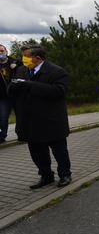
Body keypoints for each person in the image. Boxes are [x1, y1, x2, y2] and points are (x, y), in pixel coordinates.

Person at [10, 46, 72, 189]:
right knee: (37, 152)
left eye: (26, 57)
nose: (23, 60)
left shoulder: (57, 71)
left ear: (38, 58)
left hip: (52, 120)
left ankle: (65, 174)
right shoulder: (22, 70)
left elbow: (59, 91)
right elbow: (12, 90)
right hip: (30, 121)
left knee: (59, 151)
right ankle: (46, 176)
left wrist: (30, 85)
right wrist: (13, 87)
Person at [0, 44, 19, 143]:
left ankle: (22, 134)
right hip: (3, 96)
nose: (0, 53)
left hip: (16, 94)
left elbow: (24, 71)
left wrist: (16, 67)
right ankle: (2, 136)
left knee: (20, 115)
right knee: (3, 117)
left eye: (2, 51)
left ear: (6, 51)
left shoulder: (15, 62)